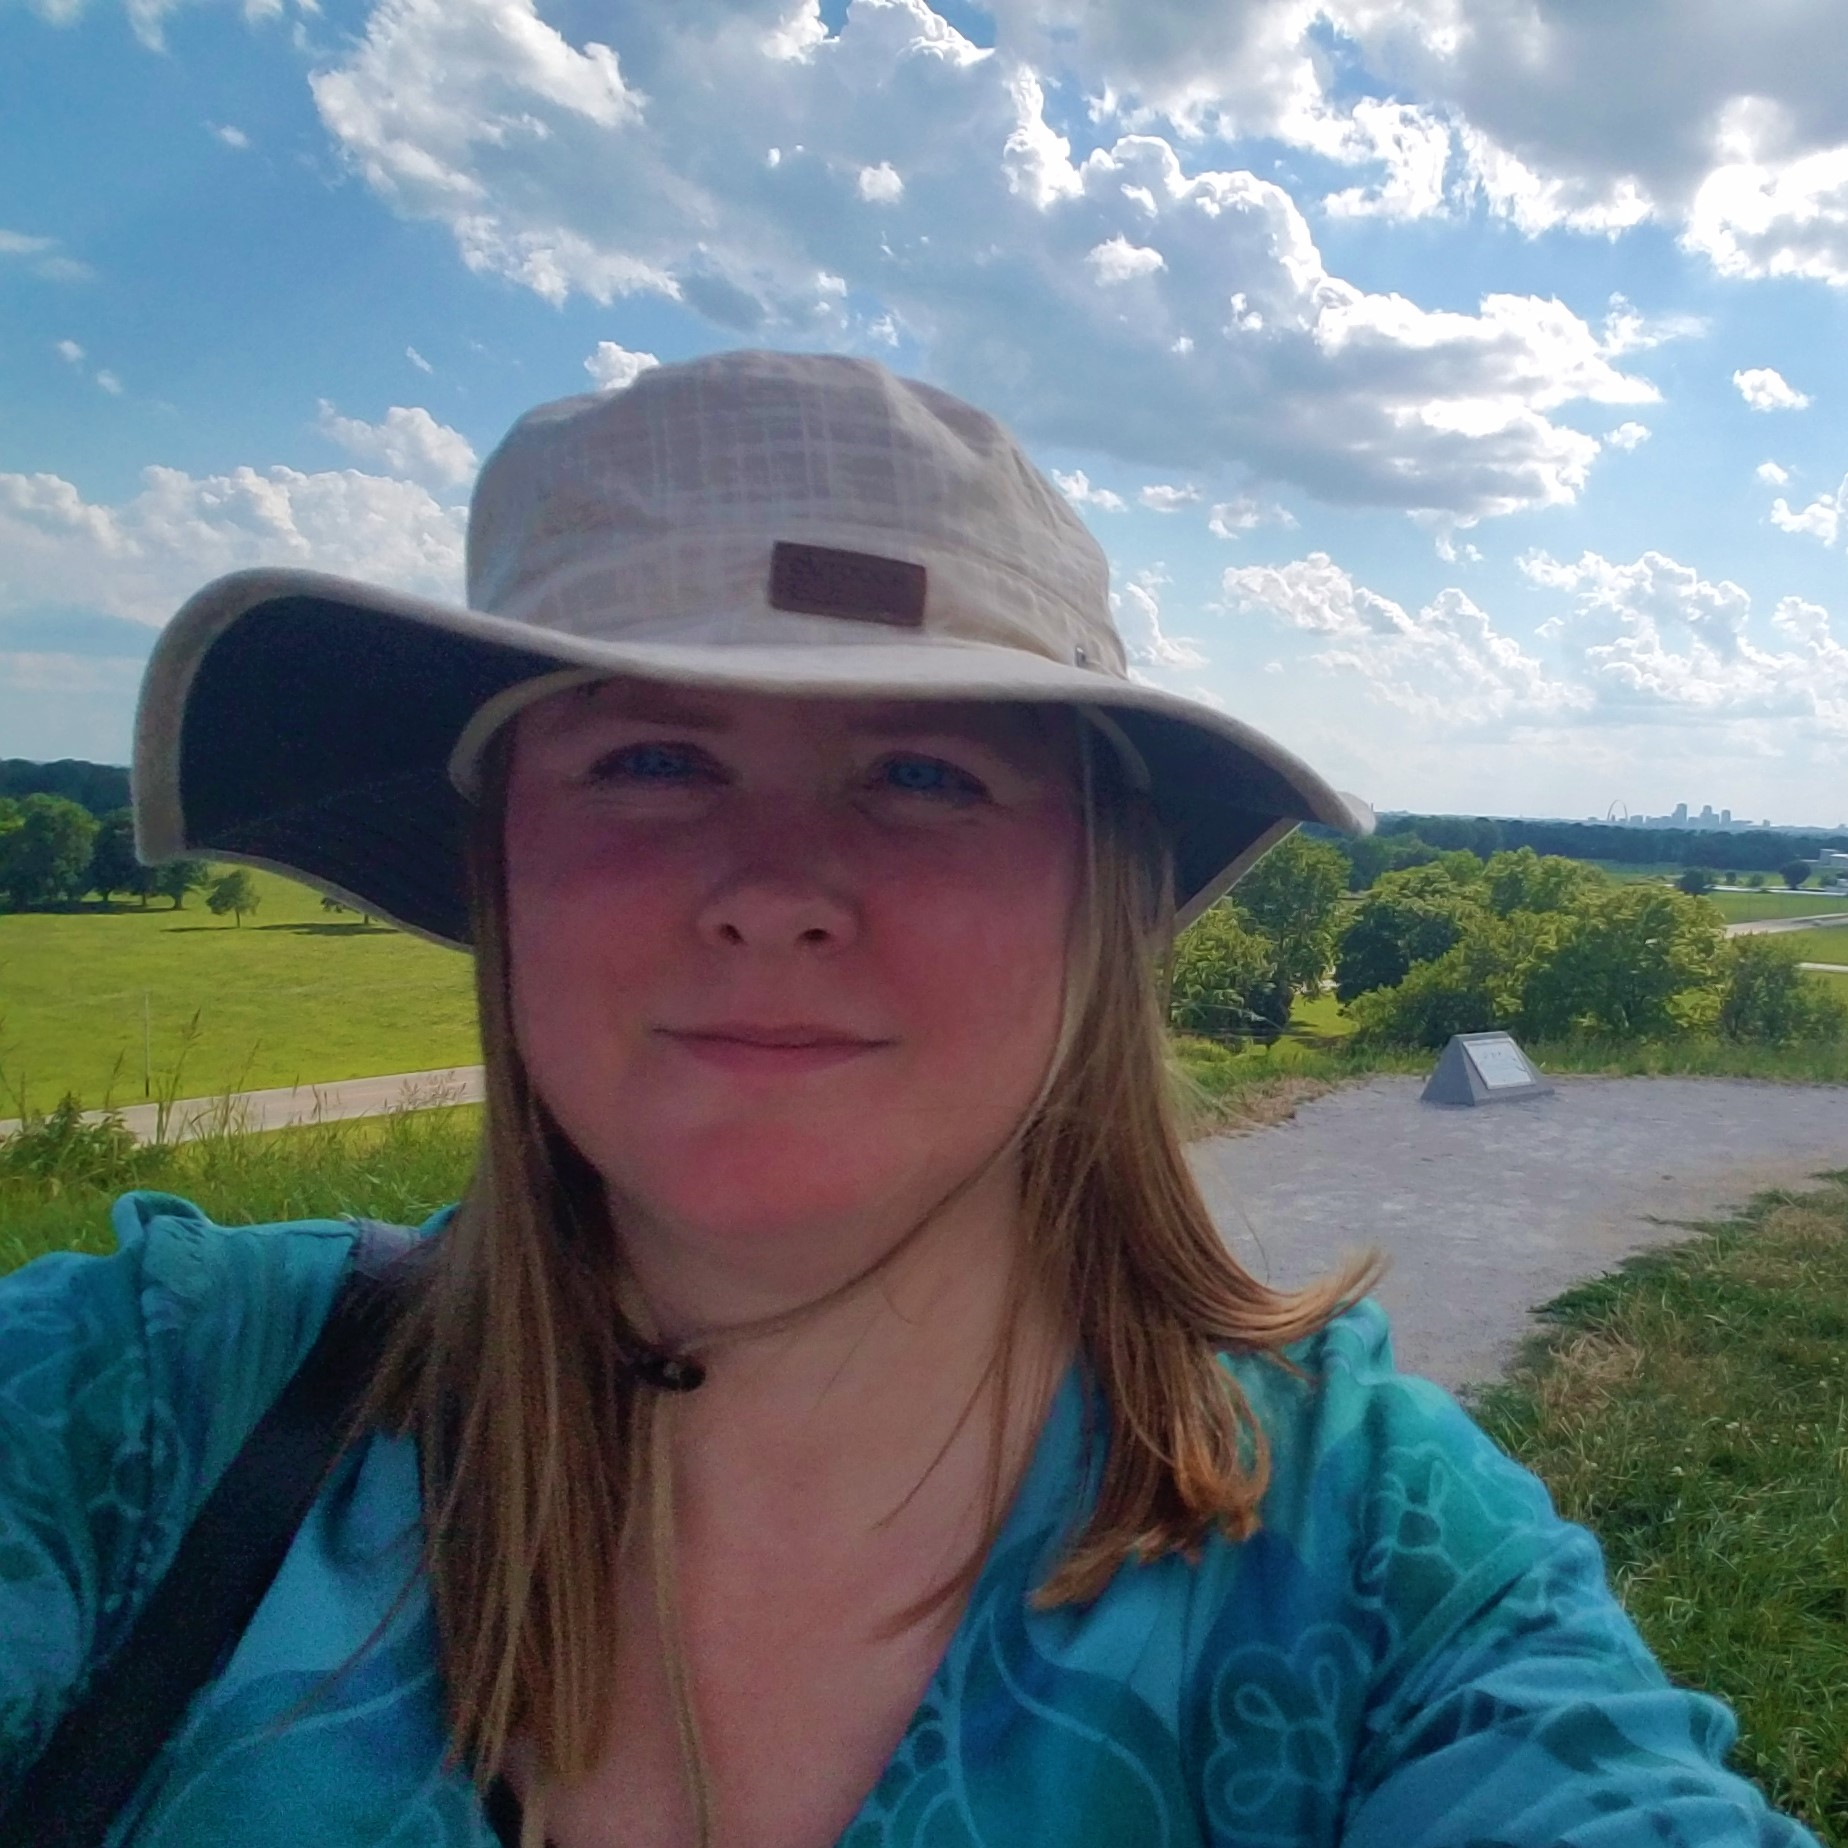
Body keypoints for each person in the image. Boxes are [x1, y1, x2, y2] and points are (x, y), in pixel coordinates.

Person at [0, 350, 1822, 1848]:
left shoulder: (1375, 1564)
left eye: (926, 772)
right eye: (648, 757)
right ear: (500, 878)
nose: (776, 884)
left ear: (1098, 906)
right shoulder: (137, 1415)